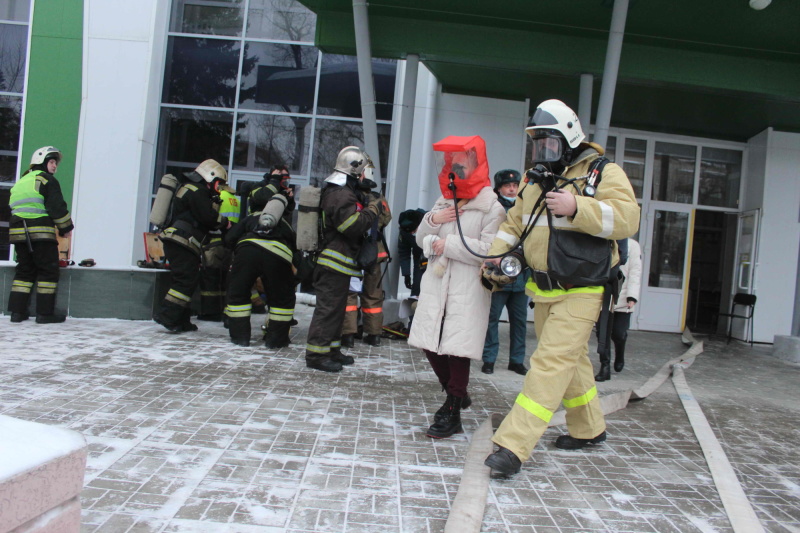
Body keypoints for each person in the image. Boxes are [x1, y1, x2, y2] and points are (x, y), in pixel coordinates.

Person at [482, 99, 639, 476]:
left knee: (549, 363)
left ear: (569, 138)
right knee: (572, 361)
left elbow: (627, 219)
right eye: (537, 144)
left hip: (584, 289)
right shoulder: (534, 180)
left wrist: (577, 206)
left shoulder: (603, 172)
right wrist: (494, 259)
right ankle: (589, 430)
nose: (542, 152)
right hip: (544, 289)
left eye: (549, 143)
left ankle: (513, 446)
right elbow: (514, 224)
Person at [408, 134, 506, 439]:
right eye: (453, 165)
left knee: (456, 348)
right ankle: (458, 394)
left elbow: (490, 250)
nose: (456, 171)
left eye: (462, 165)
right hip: (437, 284)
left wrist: (447, 244)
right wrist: (434, 220)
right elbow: (420, 238)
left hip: (467, 287)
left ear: (476, 165)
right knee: (429, 341)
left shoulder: (492, 206)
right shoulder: (444, 199)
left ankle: (452, 407)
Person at [304, 146, 383, 373]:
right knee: (328, 309)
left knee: (337, 310)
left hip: (339, 262)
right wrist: (372, 210)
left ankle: (331, 350)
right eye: (363, 172)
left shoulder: (345, 191)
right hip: (332, 262)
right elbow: (350, 225)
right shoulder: (340, 193)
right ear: (355, 170)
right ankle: (316, 355)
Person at [154, 159, 230, 333]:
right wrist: (226, 224)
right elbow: (208, 217)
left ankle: (182, 320)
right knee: (185, 280)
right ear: (210, 177)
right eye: (219, 184)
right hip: (182, 242)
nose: (219, 188)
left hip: (179, 241)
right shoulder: (198, 191)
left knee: (185, 279)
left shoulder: (188, 188)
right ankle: (167, 316)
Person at [7, 146, 74, 324]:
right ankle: (45, 314)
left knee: (24, 270)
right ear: (42, 162)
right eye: (51, 162)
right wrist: (65, 228)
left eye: (55, 163)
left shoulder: (22, 180)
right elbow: (56, 207)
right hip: (40, 232)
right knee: (48, 271)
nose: (54, 166)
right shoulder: (46, 180)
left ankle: (17, 312)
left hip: (18, 232)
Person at [224, 187, 296, 348]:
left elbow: (229, 238)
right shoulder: (284, 224)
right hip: (278, 256)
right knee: (281, 300)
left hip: (247, 253)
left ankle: (240, 338)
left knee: (238, 295)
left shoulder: (249, 219)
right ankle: (276, 340)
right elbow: (295, 247)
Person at [482, 169, 529, 376]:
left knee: (519, 321)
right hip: (498, 273)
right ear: (499, 188)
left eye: (515, 185)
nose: (512, 189)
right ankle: (489, 359)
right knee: (491, 319)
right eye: (507, 186)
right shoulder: (494, 208)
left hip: (521, 274)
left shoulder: (525, 208)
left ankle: (516, 360)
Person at [341, 175, 393, 348]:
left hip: (352, 253)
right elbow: (387, 219)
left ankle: (348, 335)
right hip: (373, 254)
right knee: (373, 295)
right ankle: (374, 334)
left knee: (349, 294)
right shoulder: (378, 198)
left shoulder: (348, 195)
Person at [595, 238, 642, 381]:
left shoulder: (632, 246)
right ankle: (605, 366)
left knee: (618, 333)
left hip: (622, 297)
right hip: (602, 295)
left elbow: (635, 272)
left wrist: (632, 296)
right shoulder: (601, 241)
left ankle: (620, 352)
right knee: (602, 334)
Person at [197, 184, 240, 321]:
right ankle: (220, 309)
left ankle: (210, 312)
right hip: (227, 241)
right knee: (222, 278)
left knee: (210, 277)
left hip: (214, 240)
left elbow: (210, 217)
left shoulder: (219, 197)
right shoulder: (234, 200)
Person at [397, 208, 427, 299]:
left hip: (435, 256)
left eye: (414, 231)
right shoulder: (404, 232)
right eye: (410, 233)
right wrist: (406, 275)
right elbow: (404, 252)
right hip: (418, 257)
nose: (412, 234)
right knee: (417, 287)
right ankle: (414, 310)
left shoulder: (430, 221)